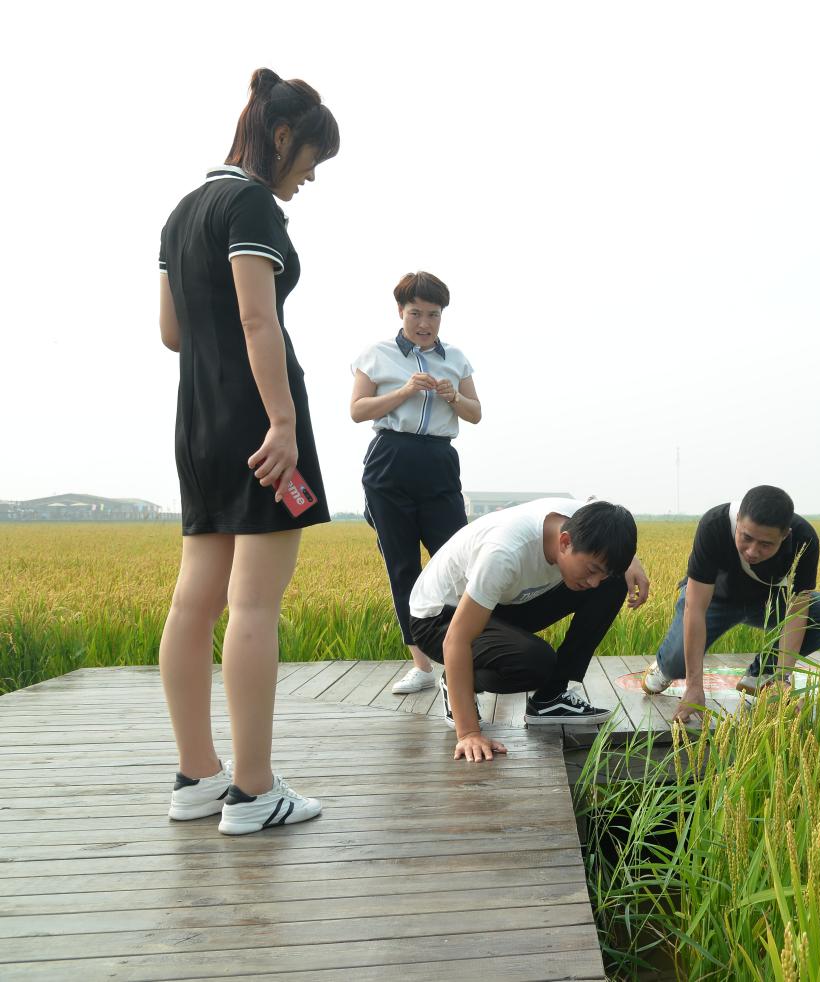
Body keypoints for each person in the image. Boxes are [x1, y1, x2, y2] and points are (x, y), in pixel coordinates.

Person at [157, 69, 338, 835]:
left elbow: (173, 332)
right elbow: (258, 321)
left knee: (193, 602)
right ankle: (254, 790)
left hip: (197, 421)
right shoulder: (250, 203)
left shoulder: (182, 211)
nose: (310, 180)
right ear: (283, 137)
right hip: (258, 424)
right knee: (254, 604)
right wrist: (283, 421)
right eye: (312, 161)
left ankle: (197, 777)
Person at [407, 498, 650, 761]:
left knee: (612, 583)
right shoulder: (503, 553)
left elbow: (607, 522)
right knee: (536, 663)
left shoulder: (582, 519)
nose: (593, 582)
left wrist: (628, 562)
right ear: (565, 542)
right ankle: (459, 681)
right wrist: (468, 734)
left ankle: (550, 698)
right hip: (440, 618)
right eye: (591, 570)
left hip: (502, 602)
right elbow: (456, 639)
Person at [350, 272, 481, 696]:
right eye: (415, 314)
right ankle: (422, 666)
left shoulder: (456, 358)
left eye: (433, 314)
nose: (424, 323)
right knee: (402, 565)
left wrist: (452, 398)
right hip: (390, 460)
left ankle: (466, 658)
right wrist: (405, 391)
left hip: (439, 462)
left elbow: (475, 412)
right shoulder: (378, 354)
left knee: (458, 562)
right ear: (400, 312)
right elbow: (358, 410)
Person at [643, 485, 820, 723]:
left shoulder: (804, 539)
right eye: (746, 538)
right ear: (738, 520)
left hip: (768, 603)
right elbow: (695, 607)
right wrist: (694, 686)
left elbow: (798, 611)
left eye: (765, 544)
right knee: (676, 665)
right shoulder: (714, 525)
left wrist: (782, 678)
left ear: (785, 535)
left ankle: (762, 676)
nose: (752, 551)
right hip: (713, 601)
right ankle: (664, 667)